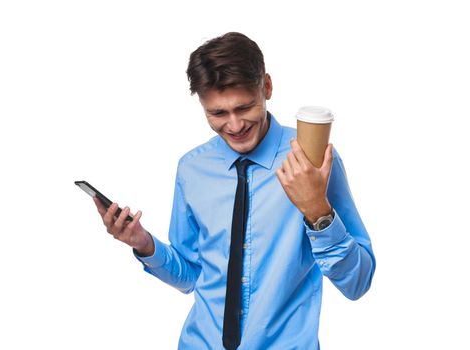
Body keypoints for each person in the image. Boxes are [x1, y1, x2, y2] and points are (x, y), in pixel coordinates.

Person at [94, 32, 375, 349]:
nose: (235, 125)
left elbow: (358, 282)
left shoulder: (312, 159)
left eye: (244, 107)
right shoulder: (192, 169)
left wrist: (318, 212)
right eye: (217, 113)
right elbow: (192, 277)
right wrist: (144, 244)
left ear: (266, 87)